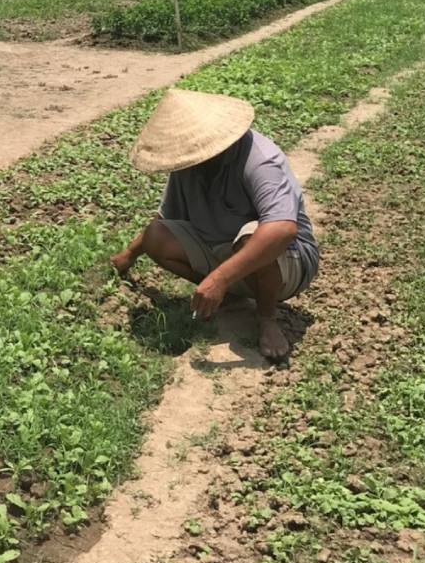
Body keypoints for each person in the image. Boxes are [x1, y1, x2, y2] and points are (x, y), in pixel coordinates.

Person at [111, 89, 319, 360]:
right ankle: (229, 293)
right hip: (224, 251)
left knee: (253, 235)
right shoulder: (190, 163)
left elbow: (282, 230)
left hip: (289, 262)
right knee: (156, 236)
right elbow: (164, 218)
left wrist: (219, 278)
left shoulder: (260, 160)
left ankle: (267, 317)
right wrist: (129, 255)